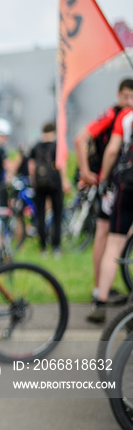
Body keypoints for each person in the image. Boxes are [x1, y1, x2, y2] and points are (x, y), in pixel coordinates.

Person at [73, 78, 133, 322]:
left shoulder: (123, 116)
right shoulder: (113, 114)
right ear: (118, 94)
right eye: (126, 96)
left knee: (114, 239)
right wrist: (90, 174)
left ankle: (103, 292)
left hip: (120, 183)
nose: (128, 101)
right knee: (106, 236)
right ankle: (101, 290)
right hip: (109, 185)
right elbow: (80, 139)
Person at [28, 122, 70, 256]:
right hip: (55, 183)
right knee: (57, 215)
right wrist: (64, 180)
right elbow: (61, 164)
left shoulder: (36, 146)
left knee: (40, 215)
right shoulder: (57, 146)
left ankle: (43, 248)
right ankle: (56, 247)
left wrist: (33, 180)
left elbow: (31, 165)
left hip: (39, 185)